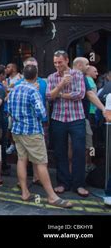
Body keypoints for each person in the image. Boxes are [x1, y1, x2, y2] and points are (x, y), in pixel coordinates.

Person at [8, 65, 73, 208]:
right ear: (36, 76)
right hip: (32, 132)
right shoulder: (34, 91)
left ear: (23, 75)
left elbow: (10, 111)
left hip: (17, 130)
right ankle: (52, 197)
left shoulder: (13, 90)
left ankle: (25, 192)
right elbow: (42, 113)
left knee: (21, 159)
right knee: (42, 163)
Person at [46, 51, 88, 197]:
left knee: (79, 150)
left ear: (67, 61)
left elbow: (80, 94)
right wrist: (62, 84)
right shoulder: (52, 77)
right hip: (58, 118)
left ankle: (79, 185)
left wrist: (60, 94)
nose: (58, 65)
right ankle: (63, 183)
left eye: (60, 62)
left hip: (77, 118)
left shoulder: (77, 75)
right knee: (60, 151)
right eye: (55, 63)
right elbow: (49, 96)